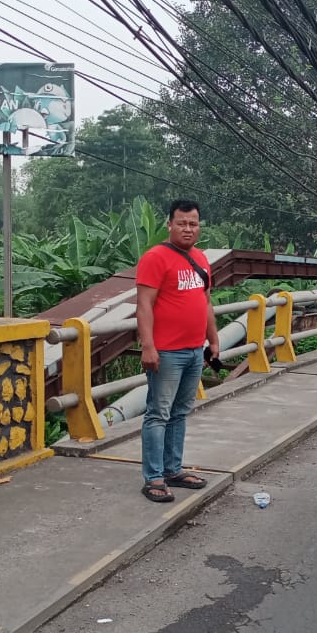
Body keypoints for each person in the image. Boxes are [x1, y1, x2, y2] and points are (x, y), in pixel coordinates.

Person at [135, 200, 221, 504]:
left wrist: (213, 340)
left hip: (194, 350)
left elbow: (206, 302)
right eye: (182, 223)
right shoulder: (155, 258)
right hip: (167, 352)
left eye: (193, 223)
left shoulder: (201, 259)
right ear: (169, 224)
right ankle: (154, 477)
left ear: (199, 226)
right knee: (158, 413)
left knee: (180, 413)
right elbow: (144, 305)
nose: (188, 228)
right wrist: (148, 346)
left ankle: (173, 469)